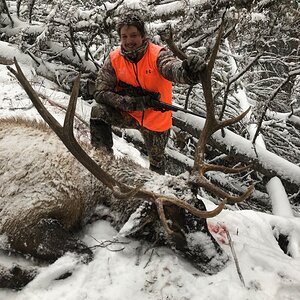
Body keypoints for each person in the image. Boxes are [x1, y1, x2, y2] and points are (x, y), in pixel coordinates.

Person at [90, 12, 204, 175]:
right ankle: (102, 165)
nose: (129, 41)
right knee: (98, 111)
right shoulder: (114, 59)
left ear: (143, 35)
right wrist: (129, 103)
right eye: (124, 36)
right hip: (129, 114)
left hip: (156, 122)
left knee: (157, 165)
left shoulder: (158, 55)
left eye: (134, 35)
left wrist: (189, 71)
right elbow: (100, 92)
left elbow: (172, 68)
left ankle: (156, 194)